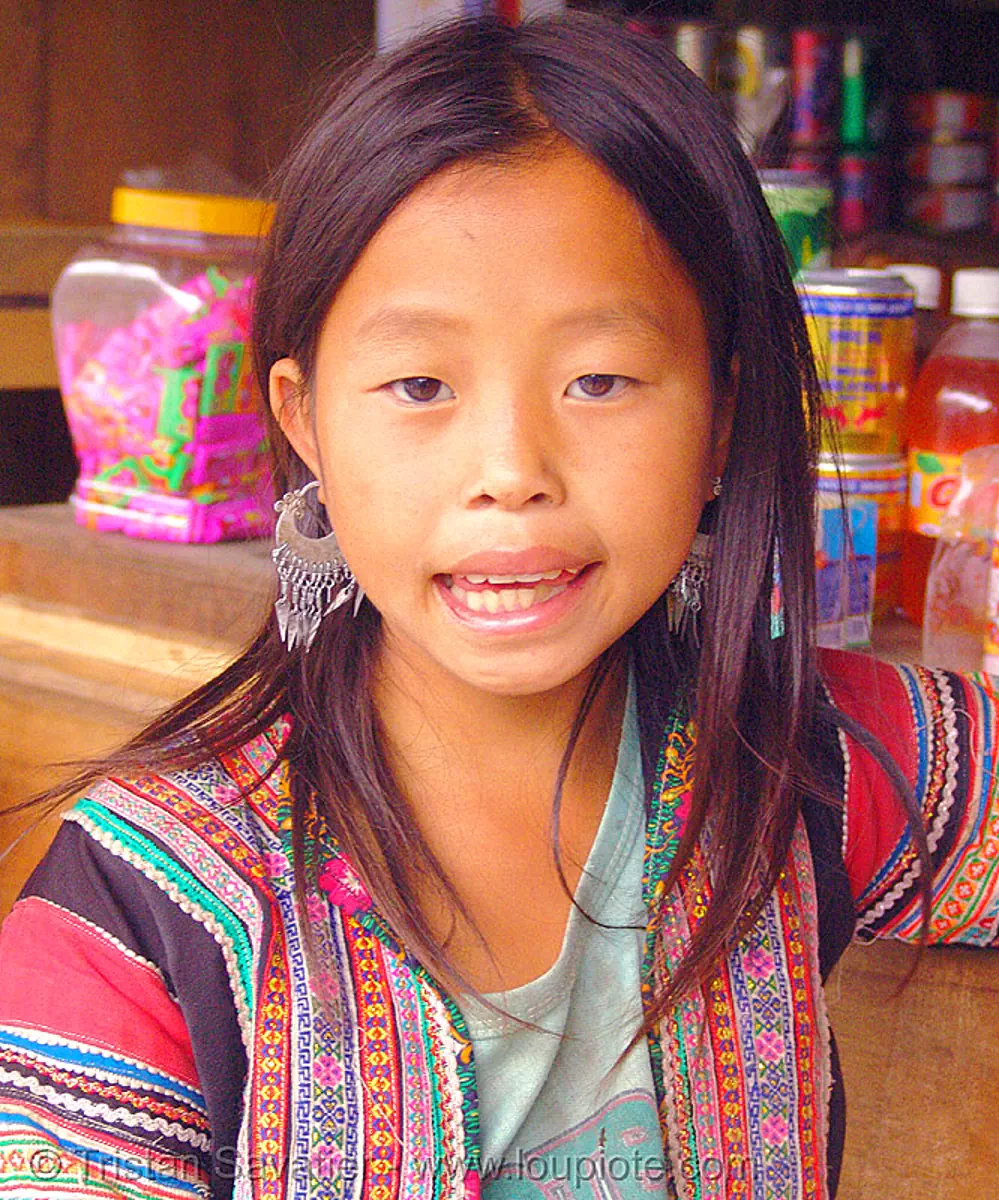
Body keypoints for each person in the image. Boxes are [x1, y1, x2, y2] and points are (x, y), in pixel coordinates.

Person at [0, 13, 996, 1200]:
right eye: (420, 384)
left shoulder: (803, 759)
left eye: (600, 380)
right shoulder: (135, 913)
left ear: (723, 418)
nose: (512, 466)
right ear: (306, 418)